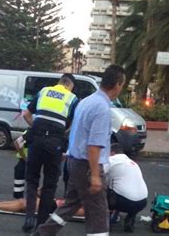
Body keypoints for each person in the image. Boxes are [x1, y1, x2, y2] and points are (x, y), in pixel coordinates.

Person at [37, 64, 126, 236]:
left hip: (75, 162)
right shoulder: (102, 108)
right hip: (88, 166)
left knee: (70, 205)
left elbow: (75, 133)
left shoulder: (86, 101)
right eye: (122, 85)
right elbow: (94, 144)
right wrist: (94, 175)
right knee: (99, 216)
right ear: (117, 85)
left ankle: (43, 233)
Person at [22, 73, 78, 233]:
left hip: (37, 139)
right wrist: (63, 134)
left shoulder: (44, 91)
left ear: (59, 82)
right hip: (54, 142)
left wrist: (36, 128)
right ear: (69, 85)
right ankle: (41, 224)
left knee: (32, 180)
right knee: (49, 184)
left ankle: (29, 218)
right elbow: (73, 125)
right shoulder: (72, 98)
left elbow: (26, 114)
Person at [107, 143, 148, 233]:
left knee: (105, 190)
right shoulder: (133, 163)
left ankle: (107, 222)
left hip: (124, 201)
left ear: (112, 152)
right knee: (121, 189)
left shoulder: (112, 160)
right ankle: (130, 218)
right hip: (142, 202)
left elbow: (100, 174)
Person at [0, 197, 85, 217]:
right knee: (22, 201)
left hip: (52, 207)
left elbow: (71, 211)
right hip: (52, 202)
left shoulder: (85, 210)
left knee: (23, 204)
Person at [13, 130, 29, 199]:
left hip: (23, 162)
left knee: (18, 188)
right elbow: (17, 143)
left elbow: (17, 143)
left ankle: (18, 200)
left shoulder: (28, 131)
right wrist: (25, 158)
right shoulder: (32, 132)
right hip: (27, 162)